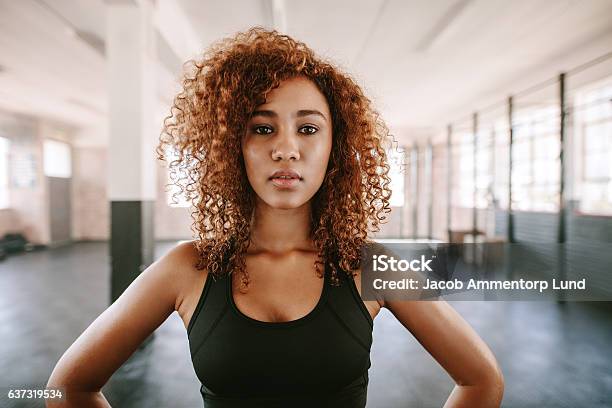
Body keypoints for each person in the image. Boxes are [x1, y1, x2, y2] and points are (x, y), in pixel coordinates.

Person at [46, 27, 504, 408]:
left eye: (308, 128)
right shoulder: (186, 268)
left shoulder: (371, 266)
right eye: (262, 128)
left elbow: (481, 381)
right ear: (233, 148)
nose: (286, 147)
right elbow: (67, 389)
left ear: (335, 148)